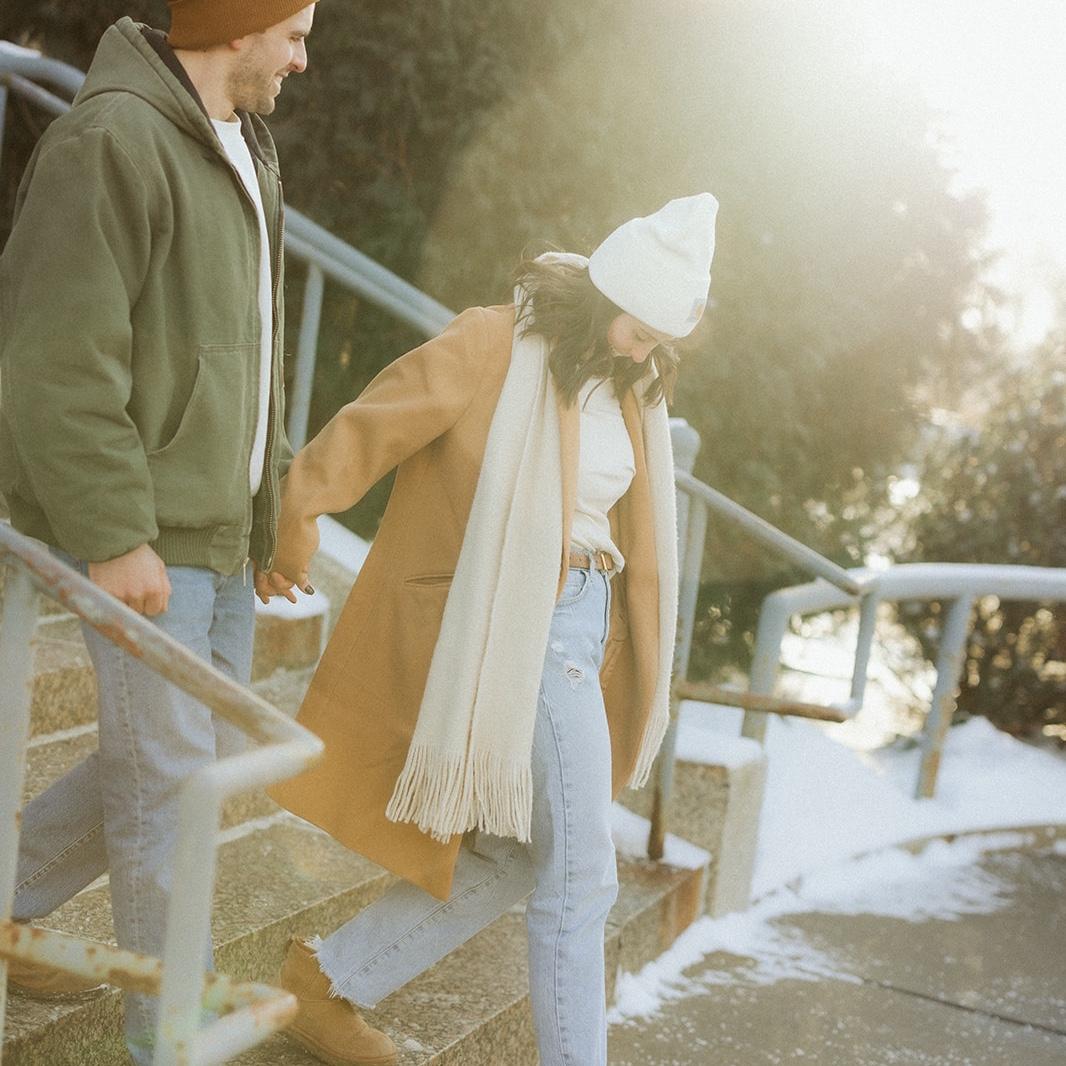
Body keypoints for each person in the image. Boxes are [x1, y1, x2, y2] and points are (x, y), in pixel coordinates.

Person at [259, 193, 719, 1066]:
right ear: (609, 290)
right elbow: (376, 420)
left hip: (589, 630)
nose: (649, 348)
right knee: (582, 879)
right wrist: (301, 508)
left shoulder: (635, 390)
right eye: (642, 326)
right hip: (521, 632)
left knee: (513, 855)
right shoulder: (495, 344)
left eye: (666, 337)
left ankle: (324, 981)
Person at [0, 2, 316, 1060]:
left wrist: (263, 515)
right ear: (240, 27)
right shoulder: (110, 141)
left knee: (191, 758)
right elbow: (56, 359)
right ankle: (167, 1038)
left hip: (217, 540)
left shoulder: (246, 148)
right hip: (146, 537)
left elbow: (251, 360)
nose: (301, 57)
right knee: (171, 794)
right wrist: (113, 529)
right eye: (295, 31)